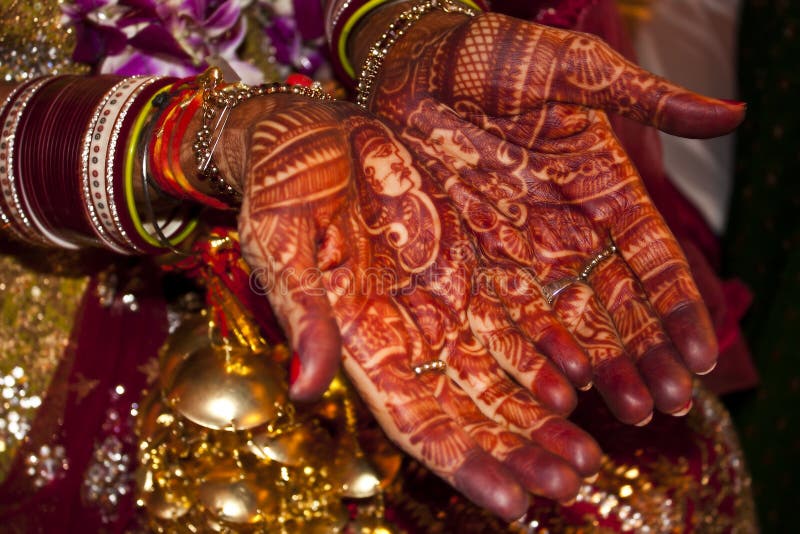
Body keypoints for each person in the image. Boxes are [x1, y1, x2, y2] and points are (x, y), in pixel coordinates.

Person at [0, 0, 755, 531]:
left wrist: (410, 33)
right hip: (66, 310)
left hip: (389, 190)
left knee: (668, 485)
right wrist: (201, 140)